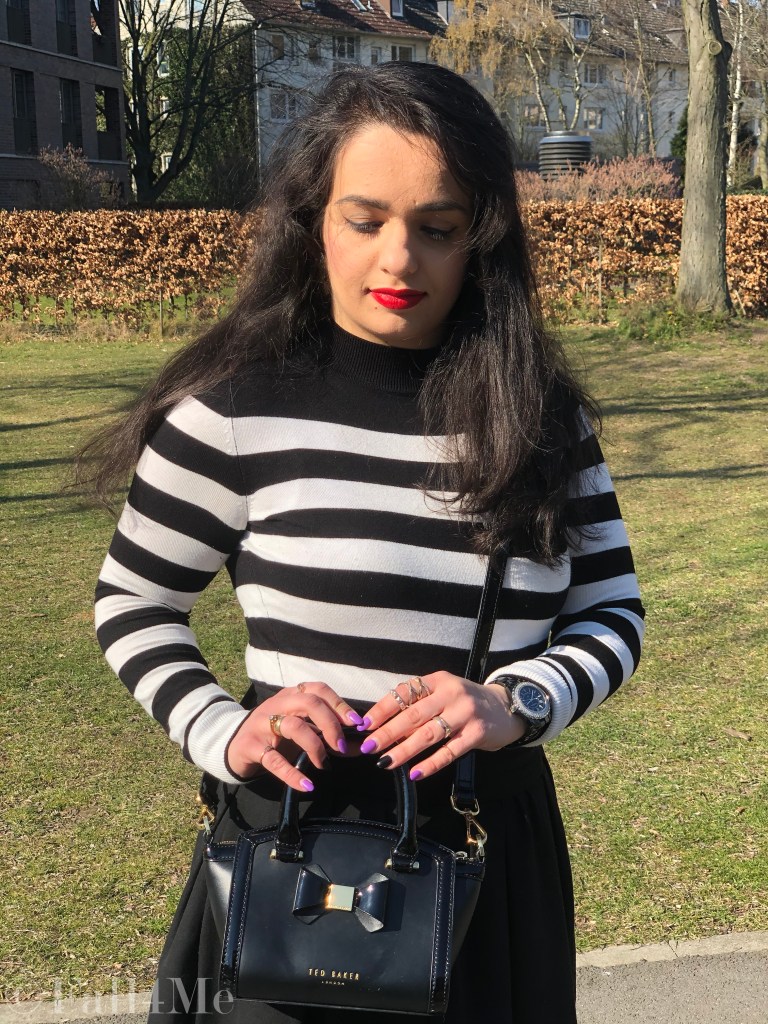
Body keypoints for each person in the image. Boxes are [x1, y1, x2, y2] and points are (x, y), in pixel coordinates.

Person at [88, 63, 645, 1024]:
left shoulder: (541, 419)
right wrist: (224, 730)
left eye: (438, 228)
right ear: (312, 219)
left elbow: (611, 612)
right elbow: (134, 603)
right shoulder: (231, 410)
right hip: (292, 849)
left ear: (483, 239)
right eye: (365, 219)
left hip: (485, 855)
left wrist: (519, 699)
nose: (399, 260)